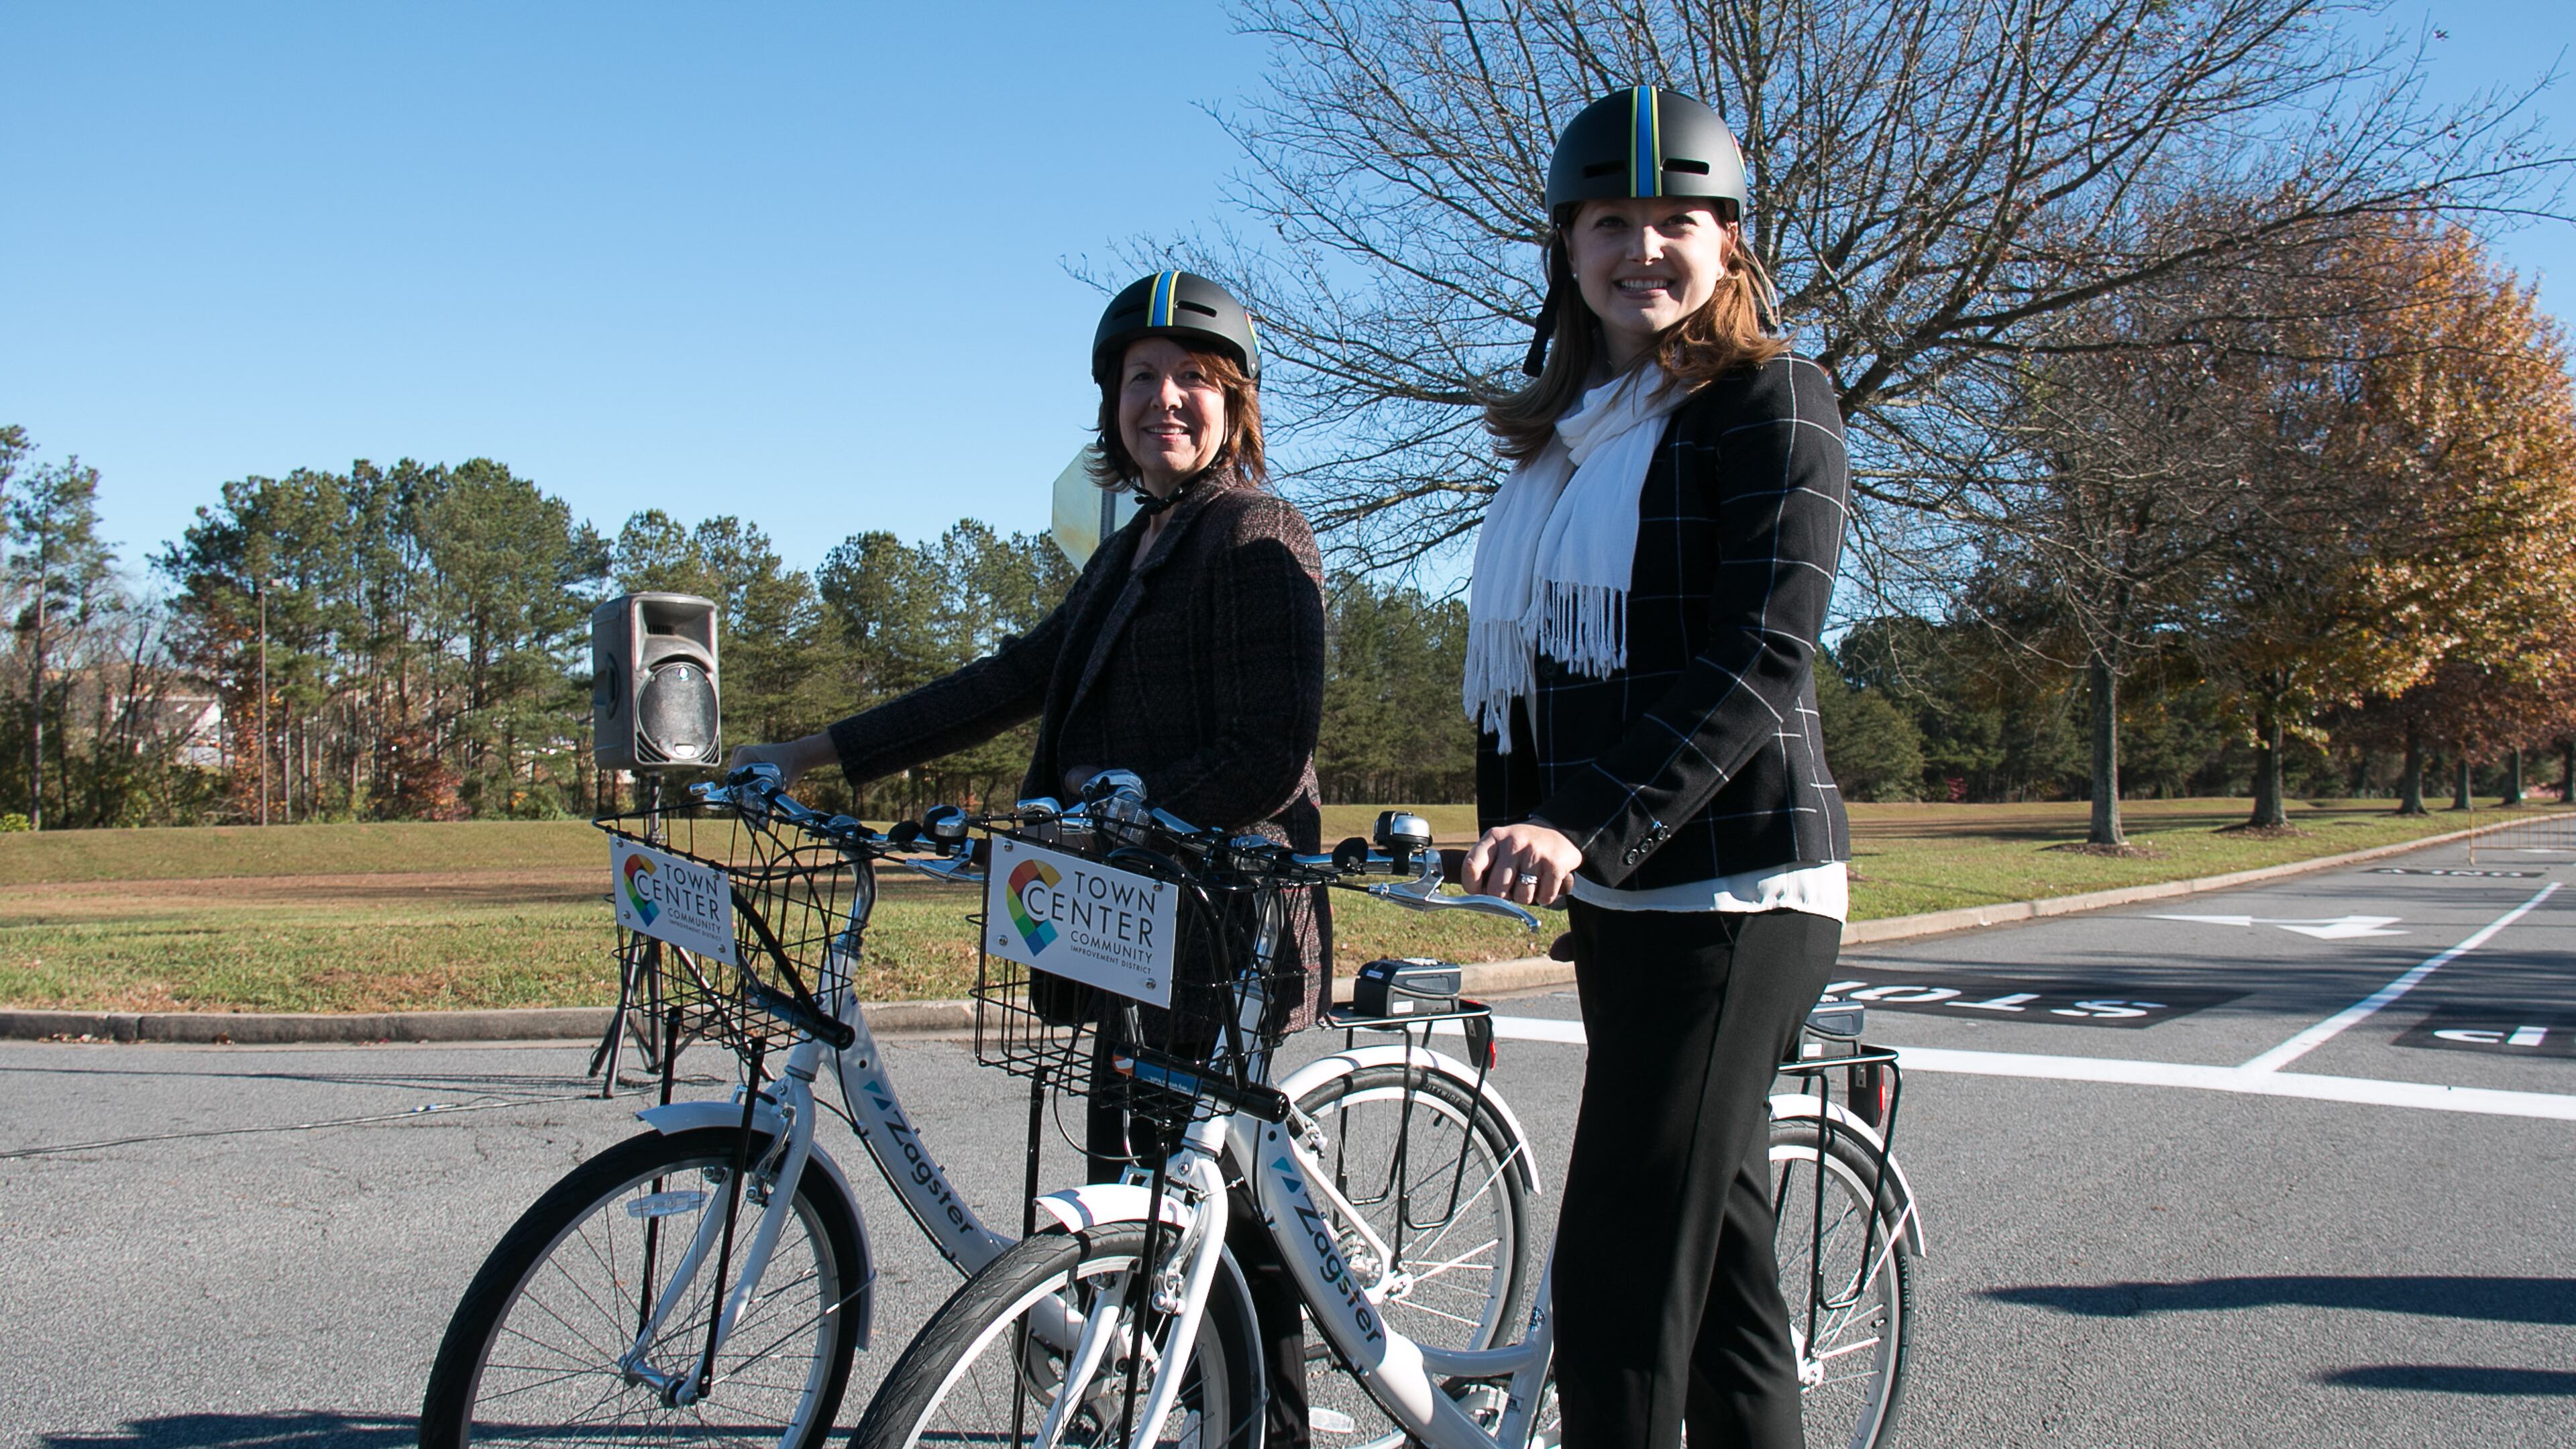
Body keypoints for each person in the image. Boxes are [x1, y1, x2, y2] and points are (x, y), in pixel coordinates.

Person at [729, 268, 1328, 1448]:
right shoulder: (1136, 546)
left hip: (1218, 926)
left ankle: (1273, 1428)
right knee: (1132, 1196)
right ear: (1111, 404)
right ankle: (1169, 1406)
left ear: (1237, 404)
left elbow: (1267, 753)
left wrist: (1114, 825)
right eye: (1140, 379)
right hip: (1128, 919)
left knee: (1221, 1215)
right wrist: (816, 749)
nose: (1164, 400)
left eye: (1193, 381)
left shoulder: (1258, 531)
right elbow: (1012, 679)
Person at [1459, 87, 1852, 1449]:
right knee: (1724, 1278)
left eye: (1675, 219)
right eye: (1611, 221)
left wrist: (1573, 823)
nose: (1644, 248)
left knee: (1619, 1277)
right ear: (1567, 252)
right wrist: (1501, 832)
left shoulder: (1773, 400)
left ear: (1729, 241)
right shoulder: (1571, 441)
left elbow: (1760, 657)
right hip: (1627, 901)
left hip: (1740, 895)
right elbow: (1537, 677)